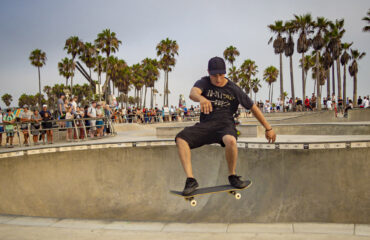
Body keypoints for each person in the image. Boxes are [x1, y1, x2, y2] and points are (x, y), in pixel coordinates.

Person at [175, 57, 276, 196]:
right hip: (206, 124)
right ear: (208, 72)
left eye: (221, 75)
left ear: (225, 73)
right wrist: (202, 98)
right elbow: (193, 93)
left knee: (231, 141)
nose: (218, 79)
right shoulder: (203, 82)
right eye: (214, 75)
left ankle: (232, 176)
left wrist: (268, 128)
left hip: (225, 125)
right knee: (181, 138)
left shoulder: (233, 88)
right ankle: (191, 180)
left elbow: (253, 107)